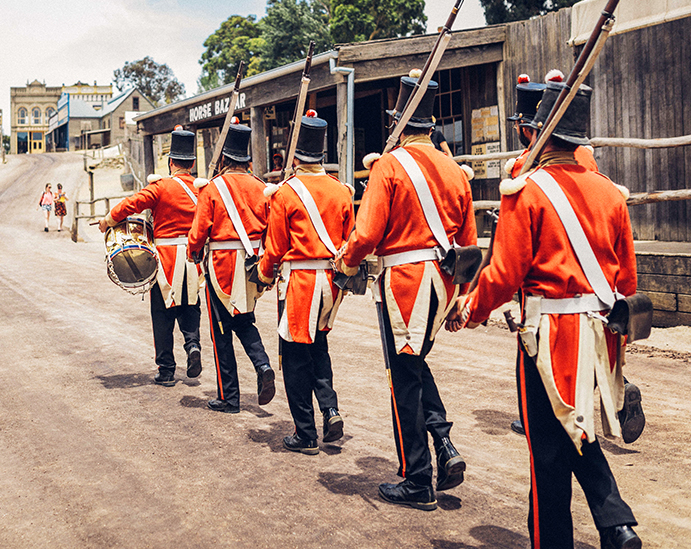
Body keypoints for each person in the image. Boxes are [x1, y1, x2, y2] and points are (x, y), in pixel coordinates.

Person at [450, 83, 642, 549]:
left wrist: (471, 310)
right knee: (573, 428)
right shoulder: (610, 194)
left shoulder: (527, 190)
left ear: (540, 133)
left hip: (547, 334)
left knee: (549, 455)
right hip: (597, 336)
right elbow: (628, 282)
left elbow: (505, 274)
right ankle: (615, 523)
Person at [336, 72, 476, 510]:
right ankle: (444, 442)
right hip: (445, 282)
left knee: (404, 380)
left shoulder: (389, 165)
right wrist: (461, 298)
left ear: (398, 122)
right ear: (431, 126)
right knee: (414, 369)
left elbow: (367, 233)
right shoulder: (455, 169)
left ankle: (418, 479)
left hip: (406, 283)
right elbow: (468, 242)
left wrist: (346, 261)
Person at [505, 72, 644, 444]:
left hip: (551, 284)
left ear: (530, 126)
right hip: (599, 275)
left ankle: (539, 413)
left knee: (536, 351)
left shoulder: (526, 168)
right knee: (596, 340)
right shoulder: (586, 160)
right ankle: (615, 386)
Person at [258, 112, 353, 455]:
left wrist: (265, 274)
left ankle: (305, 433)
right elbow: (347, 241)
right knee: (320, 349)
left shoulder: (284, 193)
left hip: (300, 282)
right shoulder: (342, 191)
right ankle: (330, 409)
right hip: (330, 282)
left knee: (295, 357)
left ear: (295, 156)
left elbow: (275, 246)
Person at [99, 127, 203, 386]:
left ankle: (166, 370)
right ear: (192, 163)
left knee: (162, 314)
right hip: (193, 258)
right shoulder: (203, 189)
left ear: (170, 162)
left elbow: (130, 204)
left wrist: (108, 220)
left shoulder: (161, 187)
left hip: (166, 259)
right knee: (190, 306)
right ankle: (193, 347)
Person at [187, 122, 274, 414]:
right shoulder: (261, 187)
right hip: (252, 265)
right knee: (245, 320)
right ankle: (262, 364)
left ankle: (229, 397)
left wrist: (192, 252)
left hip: (222, 265)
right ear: (247, 160)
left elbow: (199, 232)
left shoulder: (213, 188)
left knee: (221, 333)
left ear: (224, 159)